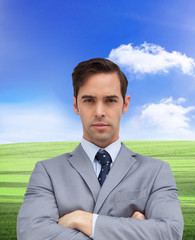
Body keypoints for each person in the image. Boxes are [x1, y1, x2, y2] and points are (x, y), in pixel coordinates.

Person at [17, 58, 184, 239]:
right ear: (75, 105)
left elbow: (171, 233)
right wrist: (135, 229)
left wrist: (82, 220)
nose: (99, 112)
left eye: (110, 100)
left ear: (125, 104)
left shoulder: (156, 171)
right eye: (89, 100)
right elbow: (30, 234)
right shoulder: (47, 172)